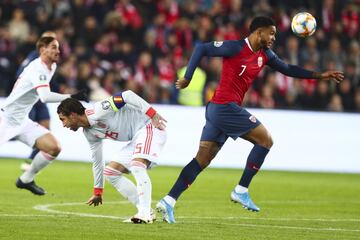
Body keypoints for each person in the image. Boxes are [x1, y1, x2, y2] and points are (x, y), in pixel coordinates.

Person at [156, 16, 344, 223]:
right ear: (258, 32)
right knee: (266, 140)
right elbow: (201, 48)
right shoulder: (235, 48)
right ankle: (241, 189)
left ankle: (168, 201)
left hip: (219, 110)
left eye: (274, 34)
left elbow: (288, 69)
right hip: (224, 107)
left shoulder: (265, 55)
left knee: (201, 160)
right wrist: (188, 77)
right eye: (270, 33)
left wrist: (320, 76)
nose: (273, 37)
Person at [57, 90, 167, 224]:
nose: (63, 125)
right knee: (110, 172)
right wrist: (98, 191)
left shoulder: (100, 110)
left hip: (149, 126)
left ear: (73, 115)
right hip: (137, 137)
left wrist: (152, 113)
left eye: (63, 119)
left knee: (137, 166)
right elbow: (97, 161)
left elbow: (127, 95)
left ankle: (144, 214)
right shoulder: (89, 133)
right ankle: (146, 211)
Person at [0, 36, 88, 195]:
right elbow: (45, 96)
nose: (58, 51)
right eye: (53, 47)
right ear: (42, 50)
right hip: (5, 118)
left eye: (58, 47)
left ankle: (26, 179)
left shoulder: (51, 67)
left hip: (22, 121)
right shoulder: (37, 68)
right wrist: (71, 96)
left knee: (54, 148)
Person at [16, 31, 57, 171]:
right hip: (30, 99)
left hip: (41, 99)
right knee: (19, 129)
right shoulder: (34, 58)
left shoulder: (52, 62)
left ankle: (31, 159)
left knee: (46, 126)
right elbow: (19, 74)